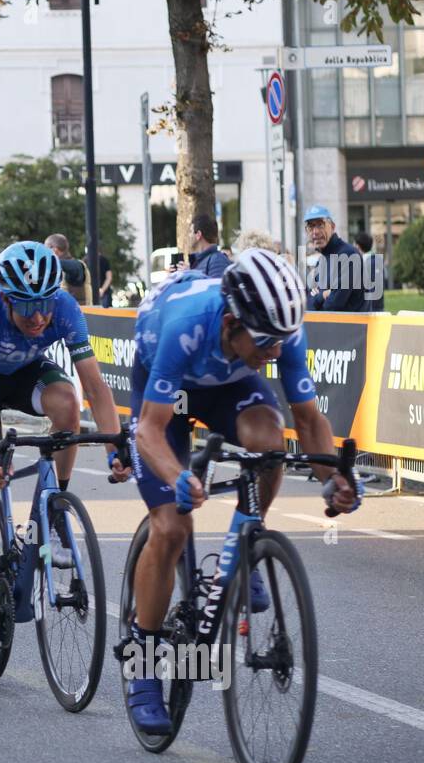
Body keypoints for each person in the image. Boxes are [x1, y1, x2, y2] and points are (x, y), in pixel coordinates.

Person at [125, 249, 360, 734]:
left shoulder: (280, 330)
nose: (276, 351)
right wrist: (178, 477)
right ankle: (142, 666)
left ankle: (248, 542)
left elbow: (308, 419)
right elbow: (149, 429)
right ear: (231, 322)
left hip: (226, 381)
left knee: (268, 442)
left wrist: (330, 479)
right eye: (266, 341)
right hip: (166, 388)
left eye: (281, 340)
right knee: (171, 528)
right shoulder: (185, 324)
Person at [0, 240, 129, 661]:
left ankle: (55, 509)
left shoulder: (64, 308)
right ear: (7, 298)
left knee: (68, 405)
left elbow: (97, 388)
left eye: (45, 305)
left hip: (24, 372)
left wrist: (114, 447)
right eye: (27, 308)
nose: (39, 317)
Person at [303, 205, 370, 311]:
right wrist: (322, 295)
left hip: (350, 327)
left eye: (320, 225)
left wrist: (317, 297)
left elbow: (333, 305)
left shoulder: (349, 256)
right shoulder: (322, 261)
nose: (315, 232)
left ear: (332, 227)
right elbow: (307, 303)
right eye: (310, 227)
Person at [45, 233, 91, 306]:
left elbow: (76, 267)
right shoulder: (58, 268)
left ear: (55, 250)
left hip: (78, 315)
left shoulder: (76, 266)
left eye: (46, 249)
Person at [182, 214, 231, 279]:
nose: (188, 236)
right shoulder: (197, 261)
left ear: (198, 235)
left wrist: (190, 276)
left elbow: (216, 288)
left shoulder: (218, 260)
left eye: (191, 232)